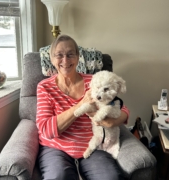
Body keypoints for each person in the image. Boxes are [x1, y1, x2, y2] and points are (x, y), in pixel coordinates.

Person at [36, 34, 129, 180]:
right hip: (56, 148)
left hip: (93, 146)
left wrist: (112, 122)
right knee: (57, 177)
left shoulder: (94, 81)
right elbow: (46, 130)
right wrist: (80, 105)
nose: (65, 60)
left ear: (78, 57)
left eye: (70, 54)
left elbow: (122, 108)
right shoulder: (44, 87)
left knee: (110, 178)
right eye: (59, 55)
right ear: (52, 59)